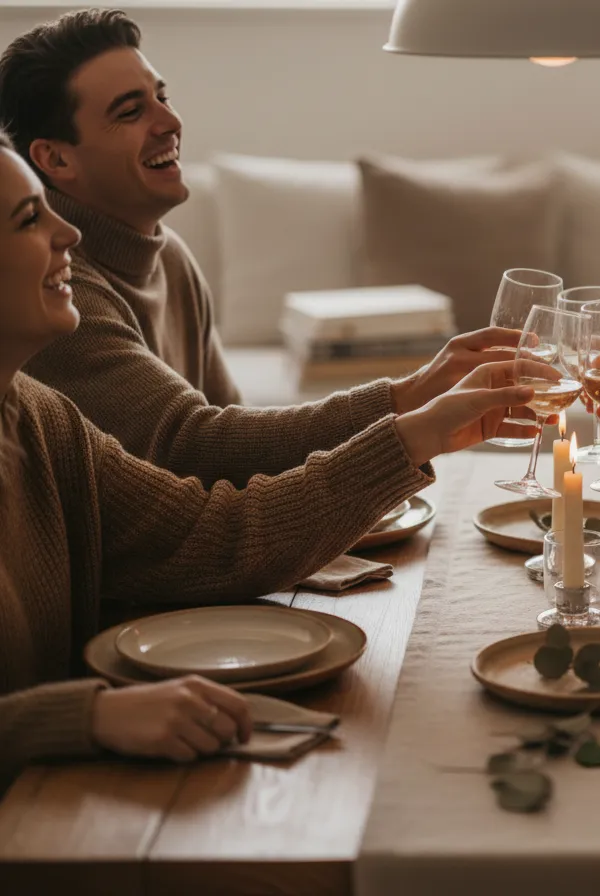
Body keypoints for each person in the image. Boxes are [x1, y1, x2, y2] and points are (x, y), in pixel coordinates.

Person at [0, 131, 545, 788]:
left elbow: (217, 535)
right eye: (30, 218)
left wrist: (414, 436)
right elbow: (200, 446)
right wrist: (85, 718)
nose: (69, 234)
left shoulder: (38, 416)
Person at [0, 8, 526, 489]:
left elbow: (236, 437)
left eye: (161, 97)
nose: (170, 122)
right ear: (56, 160)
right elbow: (193, 443)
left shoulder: (169, 256)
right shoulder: (55, 293)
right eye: (131, 111)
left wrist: (417, 395)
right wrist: (408, 399)